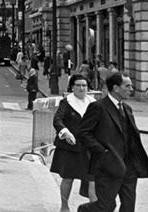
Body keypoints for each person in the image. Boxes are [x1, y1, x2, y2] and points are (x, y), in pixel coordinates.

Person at [77, 73, 148, 212]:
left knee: (128, 207)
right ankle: (85, 210)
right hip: (108, 166)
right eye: (127, 86)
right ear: (116, 88)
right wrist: (102, 151)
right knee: (105, 207)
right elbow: (83, 133)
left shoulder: (127, 109)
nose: (131, 88)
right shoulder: (98, 107)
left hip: (129, 168)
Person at [50, 73, 97, 211]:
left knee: (92, 180)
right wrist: (66, 133)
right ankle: (64, 206)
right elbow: (57, 120)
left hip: (88, 148)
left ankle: (94, 208)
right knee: (68, 178)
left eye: (84, 85)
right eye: (78, 85)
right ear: (72, 87)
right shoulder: (67, 102)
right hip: (69, 148)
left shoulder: (93, 103)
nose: (81, 88)